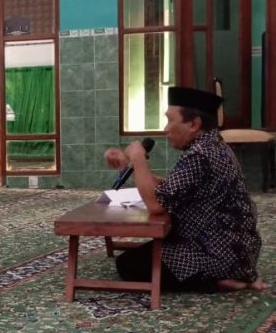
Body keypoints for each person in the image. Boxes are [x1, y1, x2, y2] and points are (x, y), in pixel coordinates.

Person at [105, 86, 266, 292]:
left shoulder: (200, 154)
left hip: (215, 251)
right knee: (146, 253)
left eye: (170, 120)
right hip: (236, 248)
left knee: (128, 265)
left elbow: (156, 205)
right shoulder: (212, 145)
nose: (166, 129)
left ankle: (218, 279)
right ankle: (230, 274)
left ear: (194, 124)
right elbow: (172, 188)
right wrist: (131, 164)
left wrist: (138, 158)